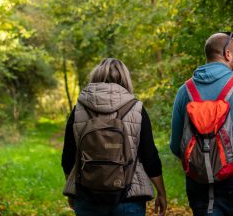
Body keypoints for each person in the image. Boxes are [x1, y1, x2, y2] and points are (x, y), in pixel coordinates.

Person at [170, 32, 233, 215]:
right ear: (228, 54)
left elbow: (176, 146)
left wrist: (202, 162)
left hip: (197, 180)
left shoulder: (184, 91)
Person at [61, 58, 167, 216]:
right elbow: (149, 156)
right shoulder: (136, 108)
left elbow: (68, 157)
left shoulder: (78, 109)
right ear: (125, 79)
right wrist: (161, 193)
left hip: (87, 195)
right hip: (129, 195)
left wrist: (72, 190)